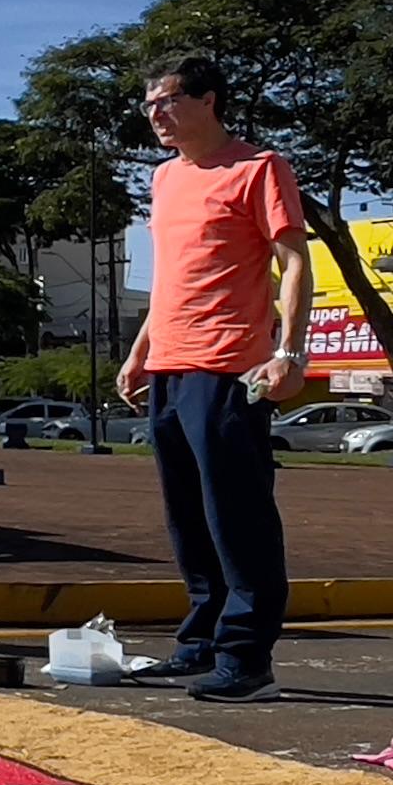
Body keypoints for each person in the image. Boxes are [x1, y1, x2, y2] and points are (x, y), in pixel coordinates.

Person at [115, 55, 310, 704]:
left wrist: (290, 352)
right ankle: (200, 643)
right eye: (149, 105)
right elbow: (171, 277)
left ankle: (247, 659)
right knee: (188, 518)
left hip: (229, 367)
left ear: (209, 100)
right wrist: (139, 351)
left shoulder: (259, 168)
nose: (157, 115)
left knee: (236, 516)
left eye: (168, 101)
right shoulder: (165, 178)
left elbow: (294, 263)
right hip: (169, 366)